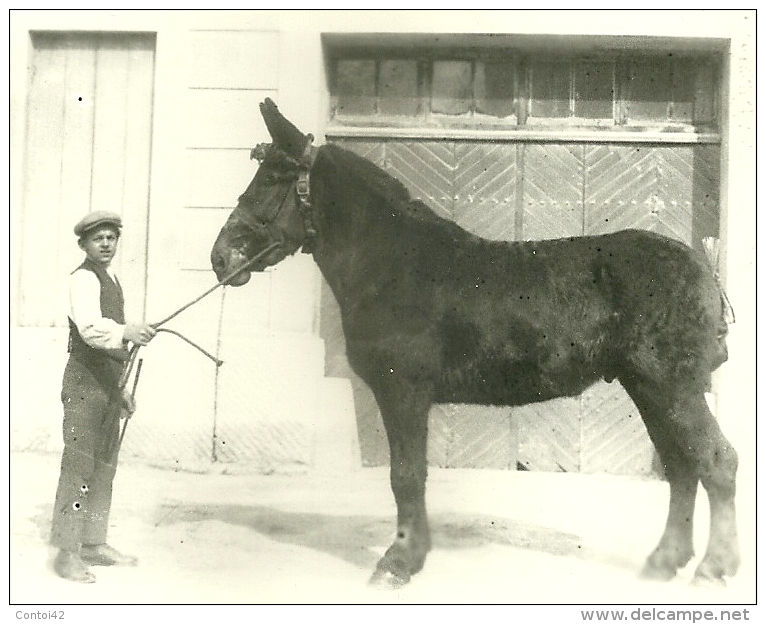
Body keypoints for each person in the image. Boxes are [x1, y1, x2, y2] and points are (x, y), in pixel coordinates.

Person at [50, 211, 157, 583]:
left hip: (107, 385)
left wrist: (120, 389)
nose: (107, 244)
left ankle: (93, 543)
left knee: (104, 468)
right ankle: (66, 553)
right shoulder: (82, 279)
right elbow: (91, 330)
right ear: (84, 244)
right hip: (82, 385)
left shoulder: (111, 278)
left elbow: (110, 340)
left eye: (112, 237)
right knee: (79, 468)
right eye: (99, 239)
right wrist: (128, 331)